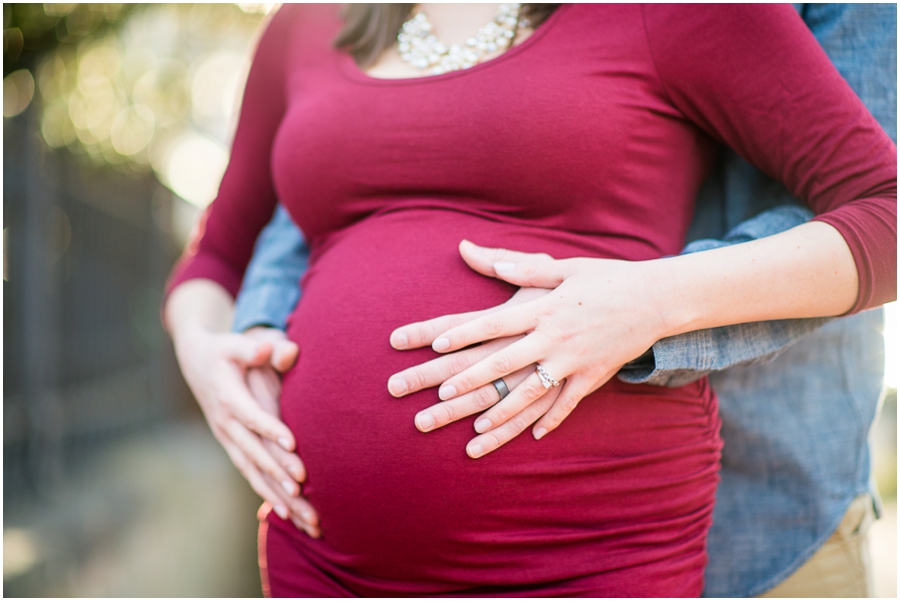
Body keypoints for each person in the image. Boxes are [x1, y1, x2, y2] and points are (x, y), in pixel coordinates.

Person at [164, 4, 897, 597]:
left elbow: (886, 214)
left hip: (586, 551)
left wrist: (651, 298)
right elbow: (217, 253)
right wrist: (203, 354)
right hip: (319, 554)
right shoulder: (305, 25)